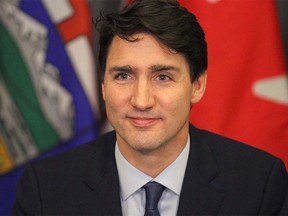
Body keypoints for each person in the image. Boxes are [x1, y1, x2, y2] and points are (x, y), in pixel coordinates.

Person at [12, 0, 288, 215]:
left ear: (197, 85)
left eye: (163, 77)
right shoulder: (45, 189)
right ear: (104, 85)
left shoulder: (260, 184)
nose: (141, 101)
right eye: (123, 76)